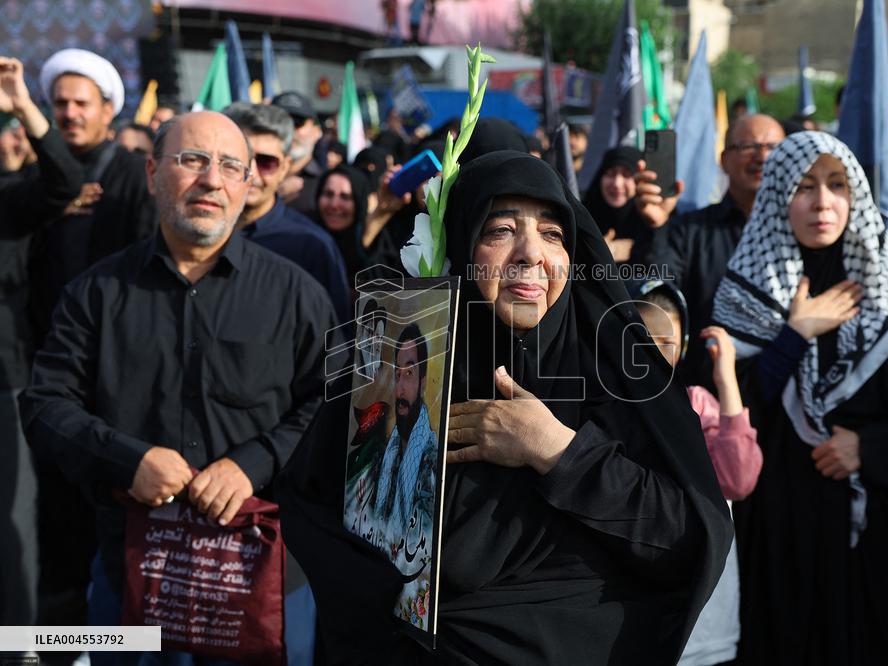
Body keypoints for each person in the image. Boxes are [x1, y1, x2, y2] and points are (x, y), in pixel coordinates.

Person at [276, 149, 733, 664]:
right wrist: (398, 612)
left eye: (552, 234)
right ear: (460, 246)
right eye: (500, 230)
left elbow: (687, 541)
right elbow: (312, 505)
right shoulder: (399, 363)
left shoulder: (615, 377)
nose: (530, 253)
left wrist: (558, 451)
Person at [19, 111, 334, 665]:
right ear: (152, 173)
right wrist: (128, 461)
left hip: (260, 583)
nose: (211, 179)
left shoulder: (297, 296)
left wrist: (254, 463)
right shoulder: (95, 294)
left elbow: (334, 406)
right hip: (130, 582)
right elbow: (44, 406)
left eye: (230, 166)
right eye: (192, 160)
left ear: (248, 183)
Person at [711, 131, 888, 665]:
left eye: (837, 185)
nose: (822, 203)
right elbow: (734, 410)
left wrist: (870, 448)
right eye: (804, 187)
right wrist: (794, 335)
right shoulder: (747, 289)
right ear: (778, 195)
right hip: (785, 514)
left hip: (878, 520)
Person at [31, 47, 157, 629]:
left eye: (81, 103)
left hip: (116, 382)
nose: (70, 113)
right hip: (50, 374)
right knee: (56, 527)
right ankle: (52, 642)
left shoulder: (133, 176)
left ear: (109, 109)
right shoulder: (38, 179)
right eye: (60, 103)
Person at [635, 281, 761, 666]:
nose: (654, 350)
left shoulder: (699, 406)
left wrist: (726, 380)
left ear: (683, 348)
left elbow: (737, 479)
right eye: (643, 337)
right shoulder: (608, 406)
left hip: (701, 616)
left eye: (667, 341)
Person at [0, 55, 83, 629]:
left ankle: (22, 642)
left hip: (5, 386)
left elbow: (64, 182)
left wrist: (21, 103)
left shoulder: (9, 200)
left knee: (12, 523)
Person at [644, 114, 785, 387]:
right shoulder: (690, 231)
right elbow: (659, 292)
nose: (762, 157)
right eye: (749, 147)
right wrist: (657, 227)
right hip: (705, 394)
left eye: (774, 147)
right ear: (724, 159)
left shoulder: (805, 230)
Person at [224, 102, 352, 323]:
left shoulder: (312, 246)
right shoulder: (198, 231)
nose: (251, 173)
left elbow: (334, 335)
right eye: (241, 159)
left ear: (285, 167)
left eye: (266, 162)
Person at [370, 323, 438, 529]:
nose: (400, 389)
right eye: (397, 375)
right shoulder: (385, 457)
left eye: (409, 373)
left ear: (423, 383)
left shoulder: (432, 461)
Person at [582, 146, 682, 264]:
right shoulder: (582, 217)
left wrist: (656, 228)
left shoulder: (656, 217)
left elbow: (667, 268)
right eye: (611, 174)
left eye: (627, 175)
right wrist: (594, 254)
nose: (617, 183)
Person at [272, 91, 325, 219]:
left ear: (317, 131)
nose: (289, 131)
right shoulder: (249, 177)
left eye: (297, 122)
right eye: (280, 123)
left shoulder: (328, 185)